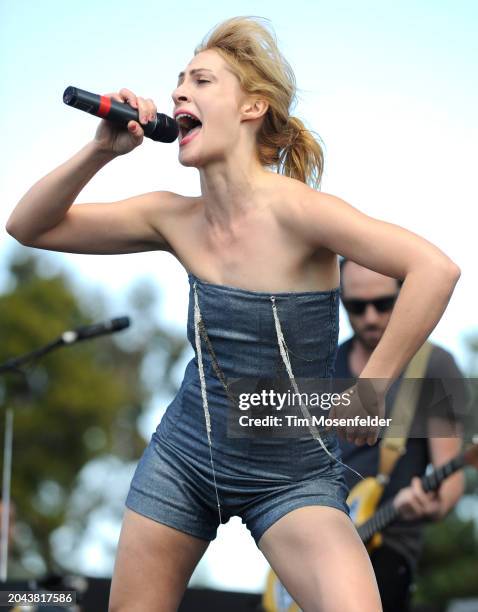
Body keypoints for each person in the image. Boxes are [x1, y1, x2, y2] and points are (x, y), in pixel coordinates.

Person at [5, 15, 461, 612]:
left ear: (252, 107)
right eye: (176, 83)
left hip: (292, 470)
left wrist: (372, 388)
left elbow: (435, 269)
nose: (177, 93)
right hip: (186, 454)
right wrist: (99, 150)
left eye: (201, 80)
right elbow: (27, 226)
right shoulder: (171, 216)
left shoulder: (301, 212)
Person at [336, 258, 465, 612]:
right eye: (356, 307)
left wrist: (431, 503)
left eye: (384, 303)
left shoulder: (433, 366)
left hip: (387, 549)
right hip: (315, 547)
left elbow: (450, 476)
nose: (371, 317)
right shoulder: (323, 366)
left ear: (404, 296)